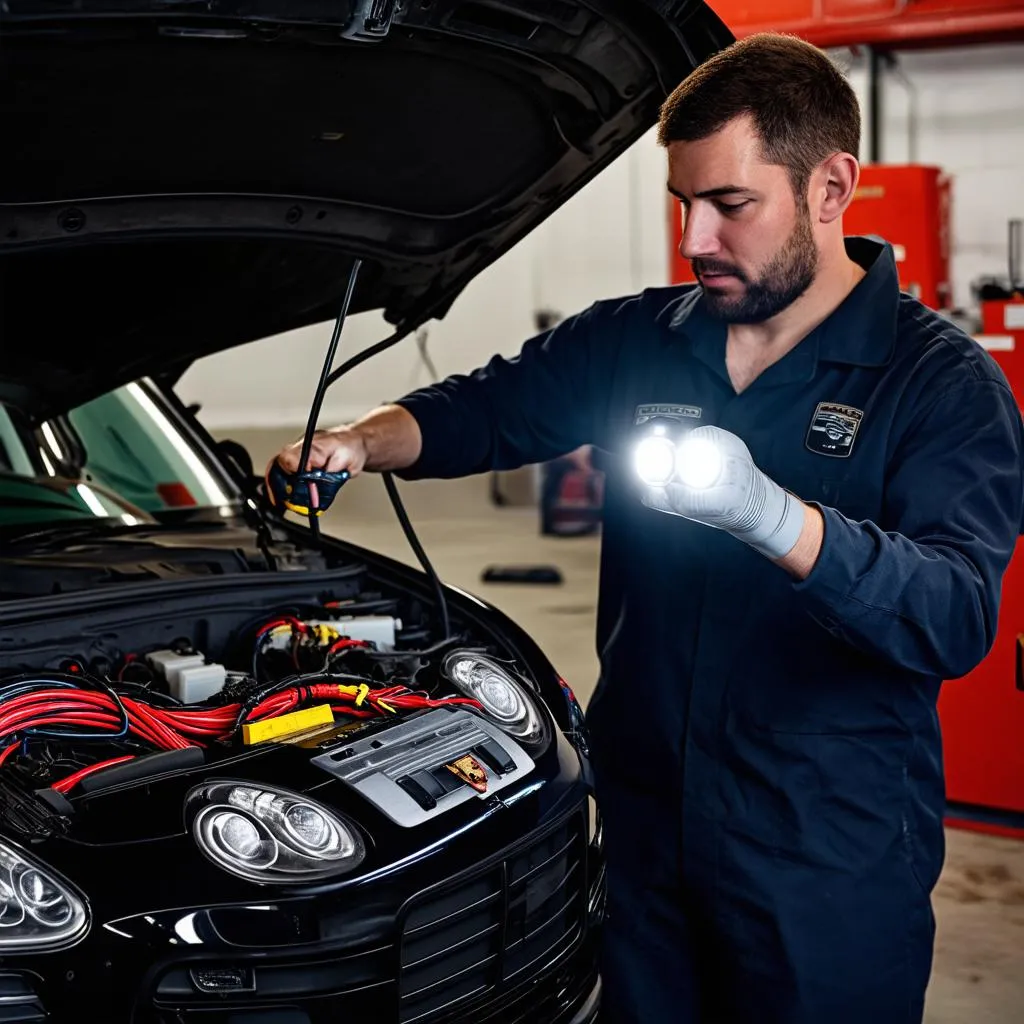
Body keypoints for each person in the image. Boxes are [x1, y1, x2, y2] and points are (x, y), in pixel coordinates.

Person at [270, 32, 1024, 1024]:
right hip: (643, 839)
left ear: (831, 187)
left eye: (729, 204)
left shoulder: (938, 383)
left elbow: (952, 613)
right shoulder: (637, 339)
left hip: (822, 862)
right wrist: (363, 442)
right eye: (682, 202)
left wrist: (770, 516)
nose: (694, 240)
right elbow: (486, 408)